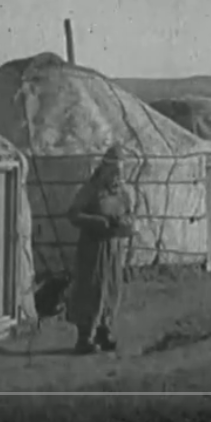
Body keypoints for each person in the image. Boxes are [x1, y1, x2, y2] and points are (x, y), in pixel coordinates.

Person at [65, 144, 137, 354]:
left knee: (112, 288)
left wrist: (124, 223)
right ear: (104, 169)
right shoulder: (91, 190)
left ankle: (104, 331)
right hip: (92, 249)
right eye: (113, 171)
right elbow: (73, 214)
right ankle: (84, 338)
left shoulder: (123, 193)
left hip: (113, 248)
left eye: (120, 172)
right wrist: (97, 221)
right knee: (91, 289)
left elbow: (131, 215)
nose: (117, 176)